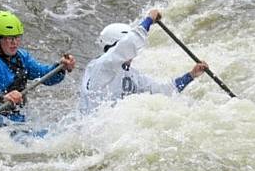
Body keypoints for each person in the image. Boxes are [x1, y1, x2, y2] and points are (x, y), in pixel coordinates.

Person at [79, 9, 208, 114]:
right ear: (113, 46)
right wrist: (149, 20)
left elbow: (163, 90)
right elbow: (129, 43)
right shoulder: (101, 65)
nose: (132, 54)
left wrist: (191, 75)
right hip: (91, 131)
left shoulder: (132, 74)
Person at [0, 10, 76, 125]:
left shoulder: (22, 57)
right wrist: (2, 97)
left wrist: (60, 67)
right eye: (9, 38)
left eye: (17, 37)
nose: (14, 43)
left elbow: (44, 75)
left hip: (16, 120)